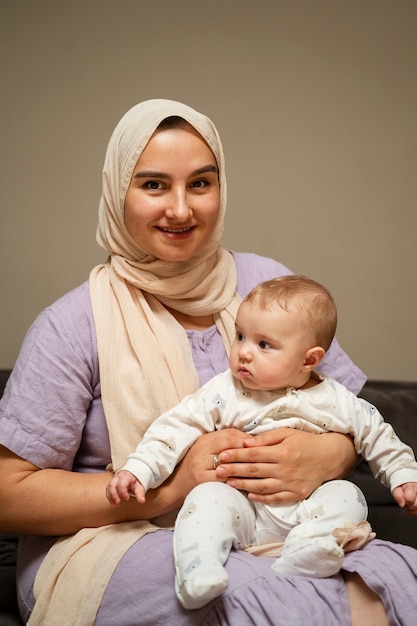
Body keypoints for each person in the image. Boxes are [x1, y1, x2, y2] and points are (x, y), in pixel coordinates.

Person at [0, 99, 416, 626]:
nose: (181, 209)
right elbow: (8, 495)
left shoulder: (265, 285)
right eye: (153, 185)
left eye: (200, 183)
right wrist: (171, 490)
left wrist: (329, 456)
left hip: (281, 523)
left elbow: (346, 416)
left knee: (399, 576)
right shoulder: (74, 322)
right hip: (112, 540)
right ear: (116, 191)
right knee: (256, 597)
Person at [107, 274, 417, 609]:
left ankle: (309, 549)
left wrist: (404, 476)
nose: (243, 353)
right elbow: (175, 426)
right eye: (240, 336)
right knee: (206, 498)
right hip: (243, 508)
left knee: (348, 495)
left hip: (307, 508)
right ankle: (200, 570)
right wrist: (139, 468)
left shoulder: (337, 400)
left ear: (309, 360)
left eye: (263, 344)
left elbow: (379, 436)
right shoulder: (225, 391)